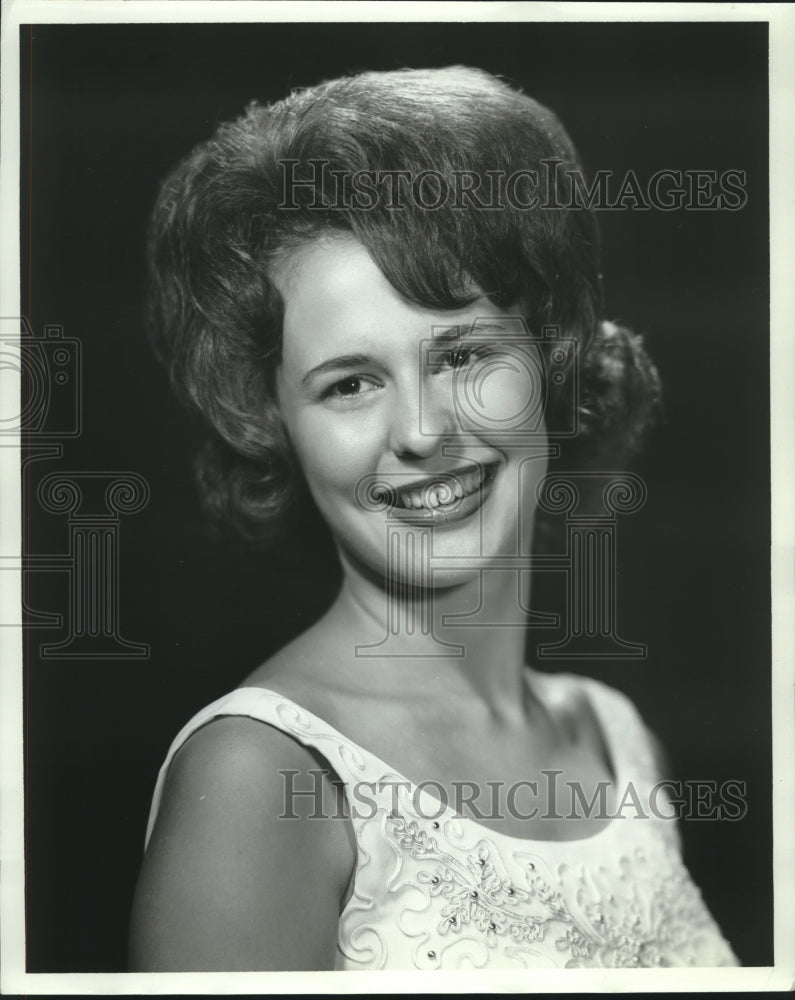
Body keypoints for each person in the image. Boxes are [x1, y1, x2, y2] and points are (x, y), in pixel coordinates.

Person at [128, 66, 738, 971]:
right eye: (350, 383)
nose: (421, 431)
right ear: (276, 429)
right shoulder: (260, 777)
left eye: (461, 354)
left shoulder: (614, 737)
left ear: (548, 358)